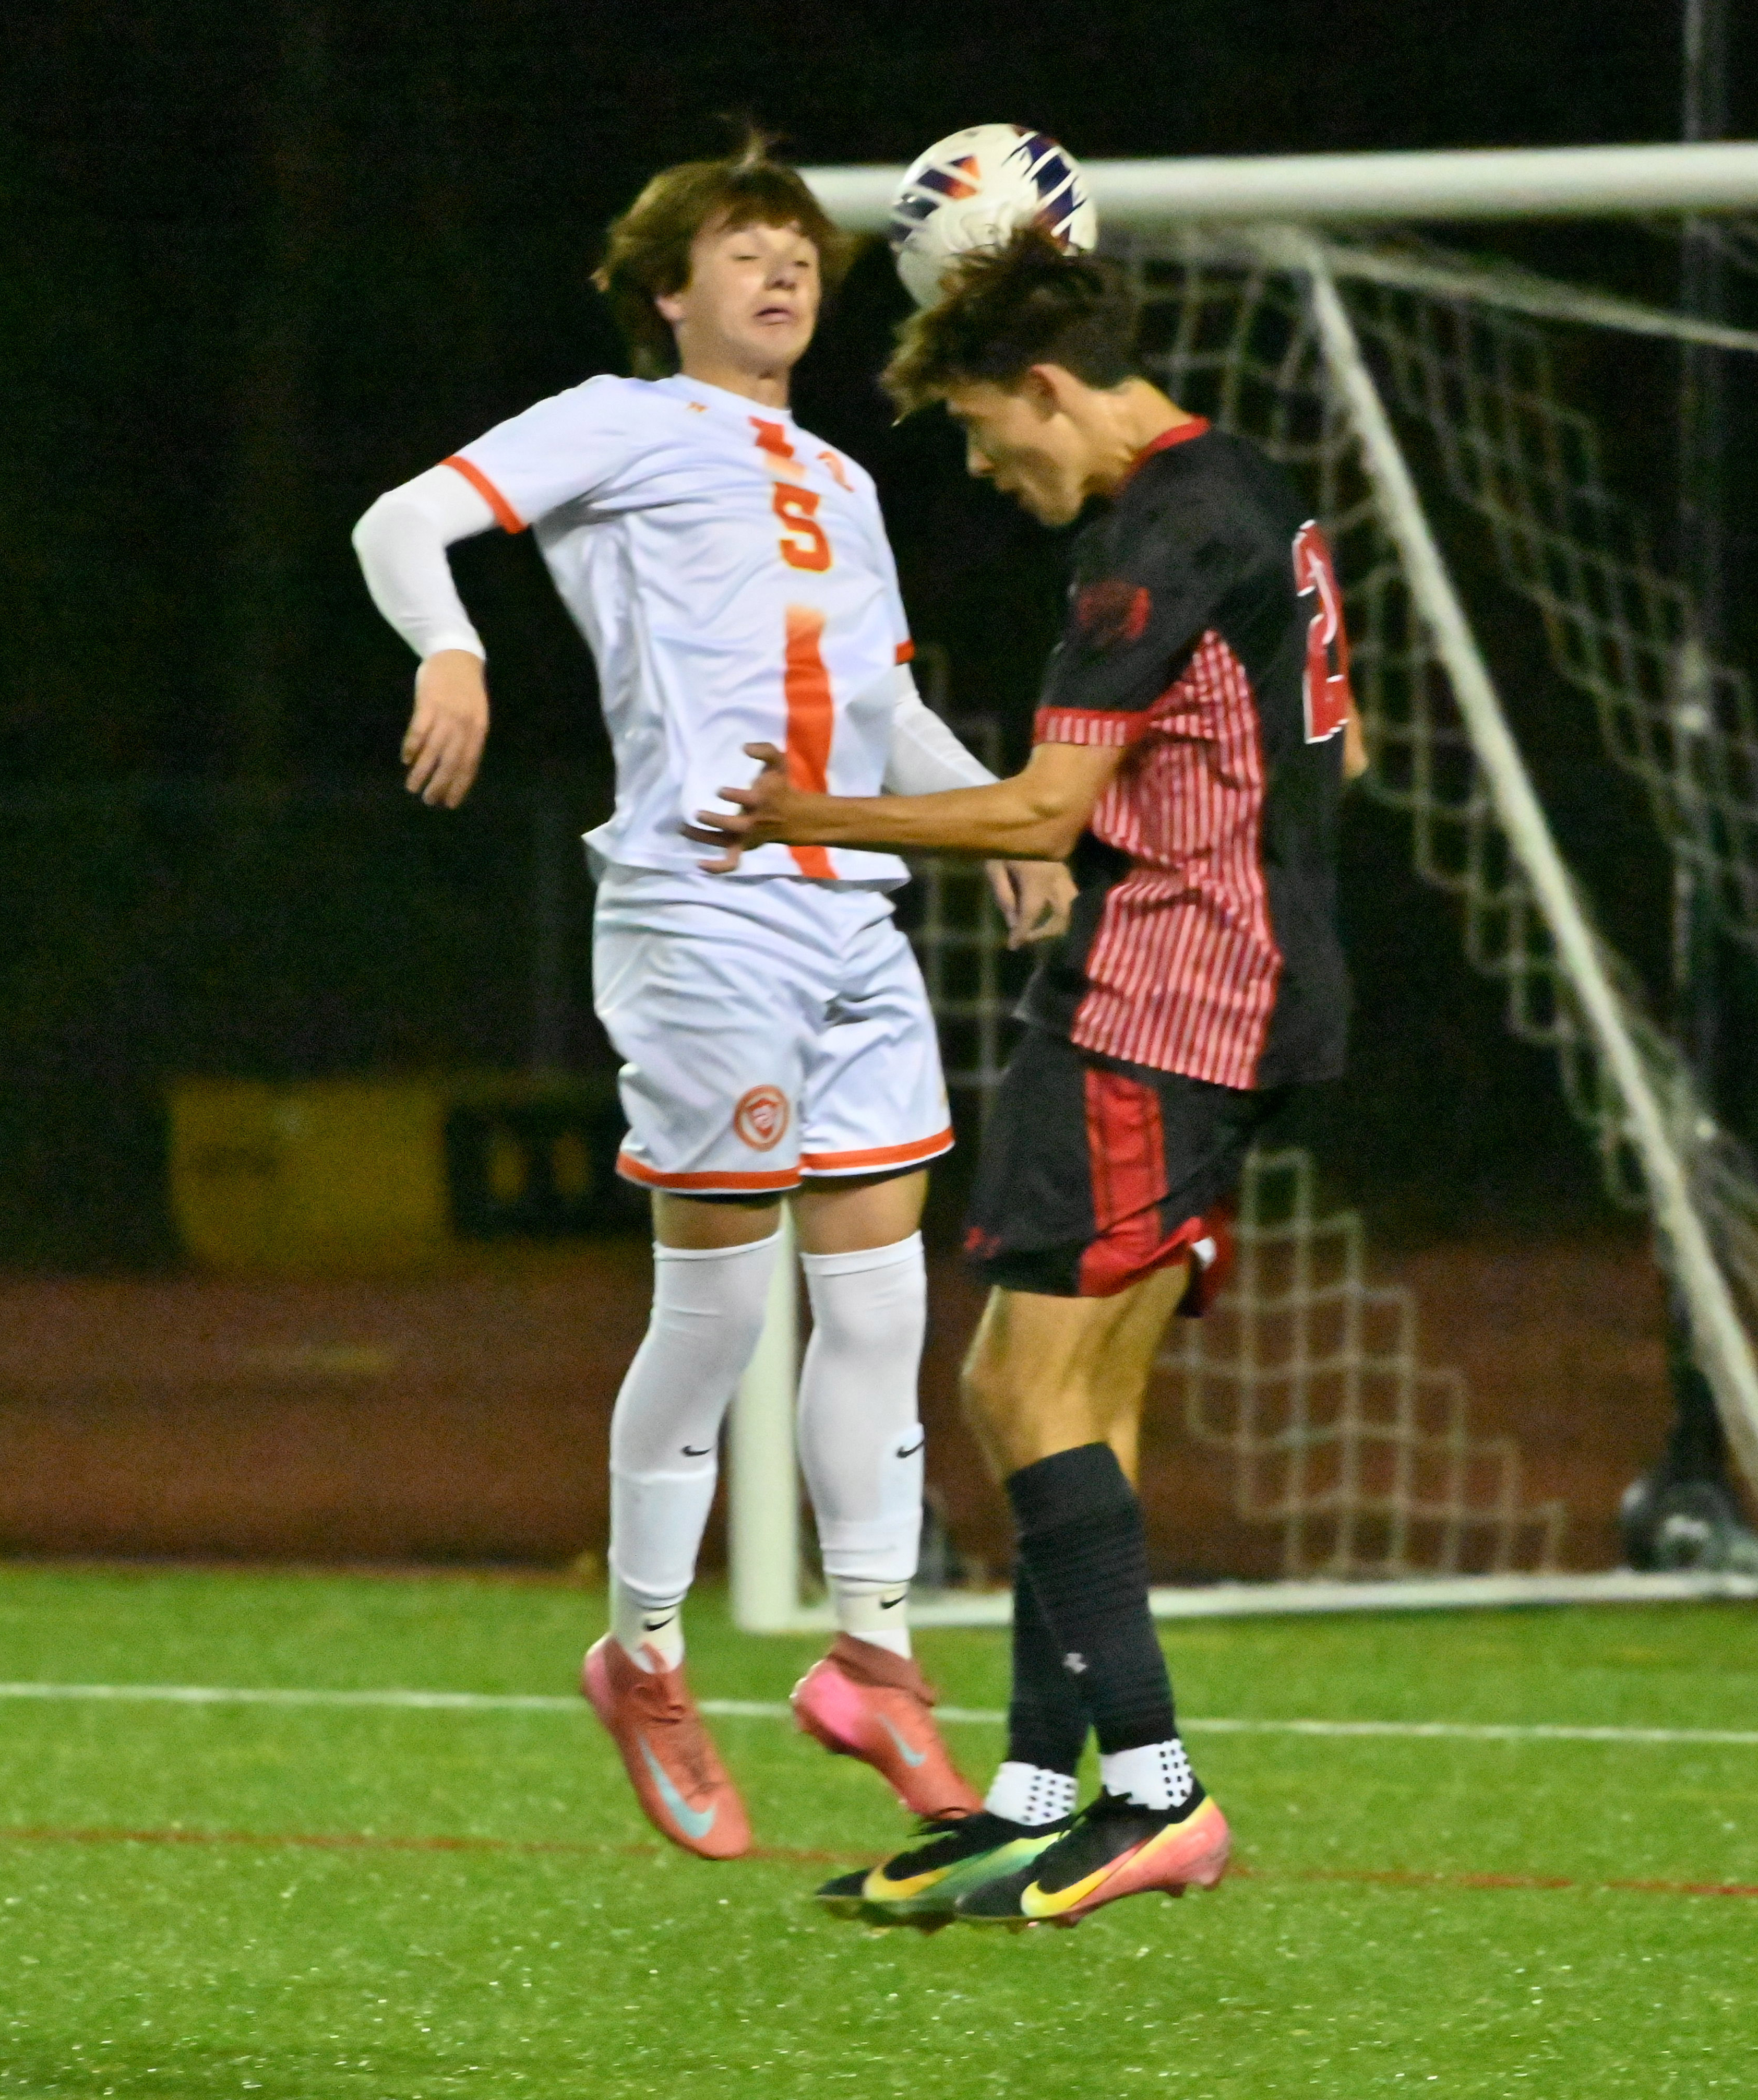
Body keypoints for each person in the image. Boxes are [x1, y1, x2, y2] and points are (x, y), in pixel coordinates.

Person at [349, 135, 1070, 1854]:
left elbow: (877, 708)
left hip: (853, 914)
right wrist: (449, 645)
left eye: (799, 255)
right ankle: (645, 1650)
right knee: (721, 1311)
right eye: (741, 253)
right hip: (703, 909)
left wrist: (1003, 824)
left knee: (883, 1305)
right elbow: (405, 518)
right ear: (667, 292)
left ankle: (874, 1659)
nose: (781, 274)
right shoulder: (625, 417)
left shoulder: (843, 474)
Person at [688, 229, 1365, 1925]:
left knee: (1016, 1395)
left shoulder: (1153, 538)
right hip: (1237, 975)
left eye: (996, 435)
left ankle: (1153, 1792)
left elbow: (1030, 814)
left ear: (1051, 387)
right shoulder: (1242, 477)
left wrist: (804, 817)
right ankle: (1031, 1798)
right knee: (1072, 1396)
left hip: (1164, 999)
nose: (998, 473)